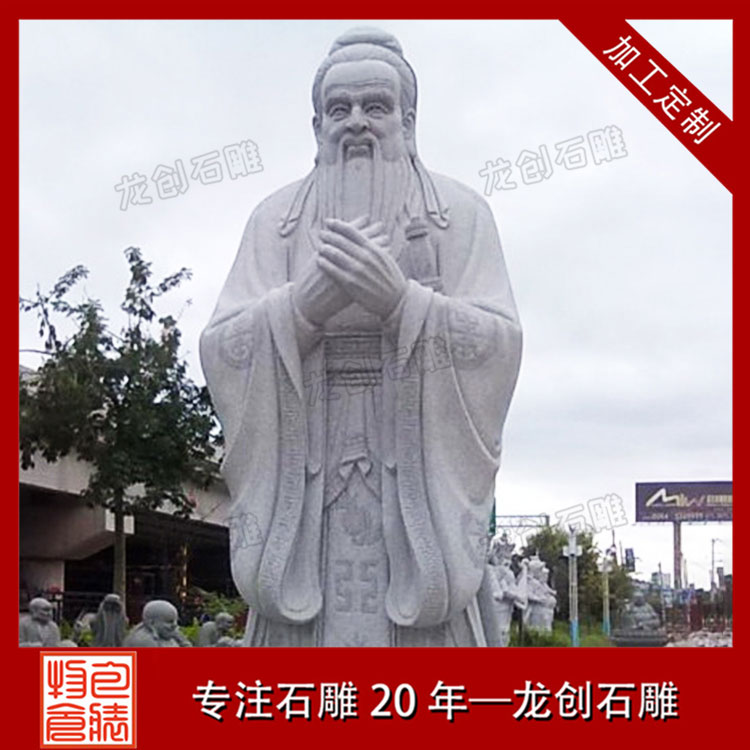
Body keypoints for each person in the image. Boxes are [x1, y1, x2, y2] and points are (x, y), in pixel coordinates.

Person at [201, 27, 522, 646]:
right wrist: (299, 309)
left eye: (375, 106)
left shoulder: (459, 215)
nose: (356, 123)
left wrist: (402, 304)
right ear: (316, 125)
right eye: (338, 108)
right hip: (305, 482)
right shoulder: (275, 221)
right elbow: (222, 348)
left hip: (415, 483)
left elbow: (500, 345)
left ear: (408, 120)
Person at [123, 600, 190, 647]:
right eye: (169, 622)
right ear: (151, 623)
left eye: (176, 621)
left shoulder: (170, 636)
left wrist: (180, 638)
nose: (174, 625)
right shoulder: (144, 641)